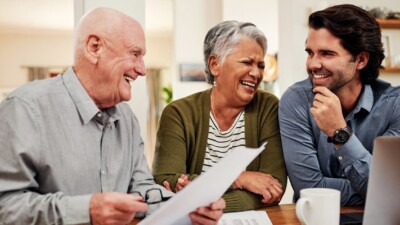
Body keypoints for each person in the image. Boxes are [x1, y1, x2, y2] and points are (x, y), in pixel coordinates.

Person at [0, 7, 225, 225]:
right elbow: (5, 206)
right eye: (135, 54)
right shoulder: (25, 108)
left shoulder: (127, 119)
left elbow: (142, 188)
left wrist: (186, 206)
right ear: (94, 47)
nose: (142, 70)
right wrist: (87, 210)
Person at [152, 20, 287, 212]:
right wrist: (240, 179)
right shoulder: (178, 114)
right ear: (215, 65)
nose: (256, 73)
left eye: (261, 65)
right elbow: (165, 180)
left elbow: (273, 188)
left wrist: (199, 197)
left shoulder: (268, 107)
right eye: (247, 62)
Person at [279, 4, 400, 206]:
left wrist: (338, 132)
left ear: (361, 59)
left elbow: (393, 191)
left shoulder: (394, 105)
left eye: (327, 53)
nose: (312, 64)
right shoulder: (296, 101)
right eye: (310, 52)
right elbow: (309, 189)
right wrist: (375, 192)